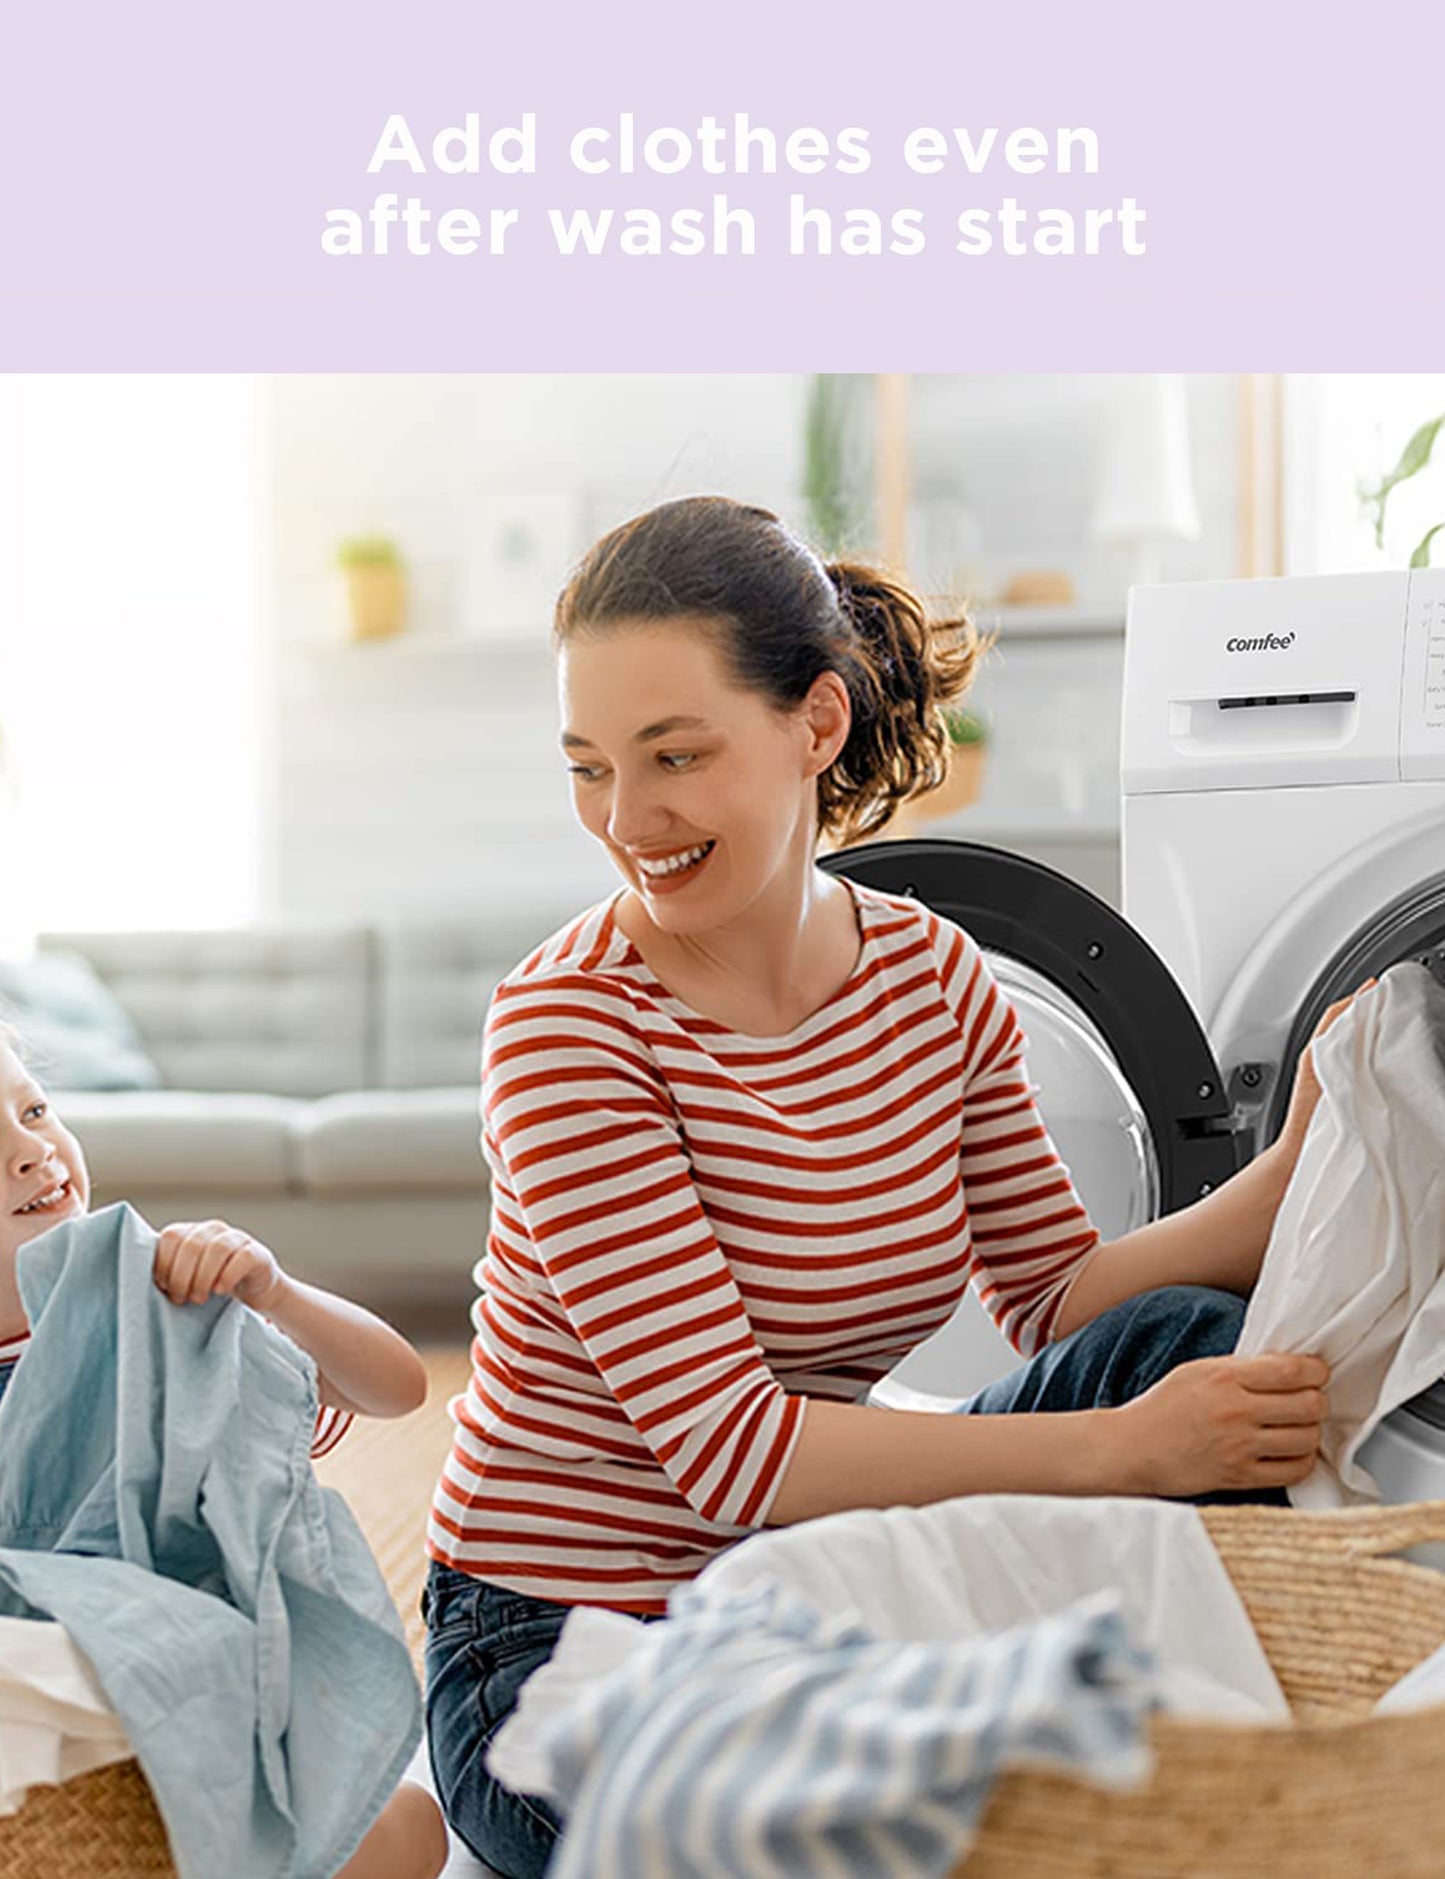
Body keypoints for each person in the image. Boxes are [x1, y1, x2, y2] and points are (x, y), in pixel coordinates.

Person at [424, 494, 1348, 1879]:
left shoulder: (930, 977)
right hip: (567, 1648)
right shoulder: (569, 1027)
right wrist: (1130, 1451)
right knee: (913, 1812)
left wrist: (1306, 1159)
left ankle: (1309, 1731)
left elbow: (1051, 1298)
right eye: (590, 765)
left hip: (821, 1585)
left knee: (1178, 1349)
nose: (626, 817)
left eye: (674, 754)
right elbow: (736, 1451)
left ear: (815, 724)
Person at [0, 1028, 449, 1879]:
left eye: (35, 1109)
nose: (33, 1152)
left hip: (203, 1682)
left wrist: (272, 1292)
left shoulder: (154, 1306)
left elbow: (395, 1387)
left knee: (405, 1829)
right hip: (55, 1713)